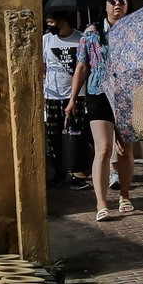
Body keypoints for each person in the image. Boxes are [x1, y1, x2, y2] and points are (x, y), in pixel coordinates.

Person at [70, 0, 136, 220]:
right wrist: (72, 99)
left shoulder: (136, 32)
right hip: (98, 92)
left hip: (127, 94)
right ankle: (101, 203)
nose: (117, 4)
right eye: (112, 1)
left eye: (122, 0)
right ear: (105, 6)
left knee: (126, 148)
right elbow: (82, 66)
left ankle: (124, 195)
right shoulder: (92, 33)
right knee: (104, 148)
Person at [41, 10, 86, 188]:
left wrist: (73, 98)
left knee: (76, 136)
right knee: (54, 136)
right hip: (52, 95)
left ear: (62, 20)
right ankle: (59, 173)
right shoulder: (46, 40)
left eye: (52, 22)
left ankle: (78, 175)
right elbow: (42, 65)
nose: (49, 26)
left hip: (76, 95)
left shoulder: (81, 38)